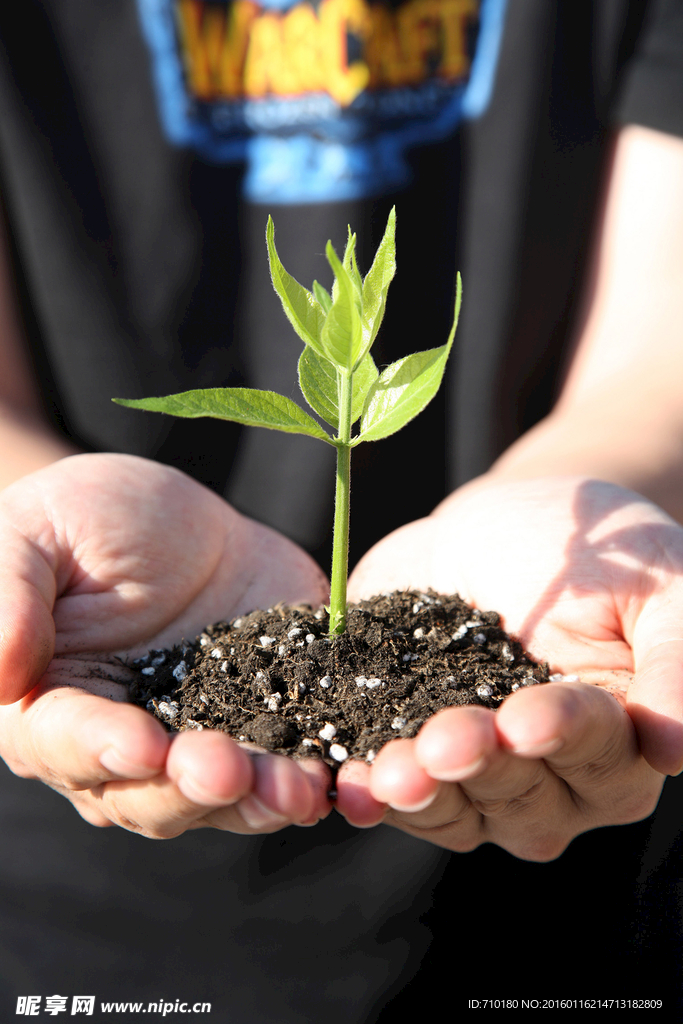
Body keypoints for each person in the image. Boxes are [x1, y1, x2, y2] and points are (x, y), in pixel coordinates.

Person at [1, 0, 682, 1016]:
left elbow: (655, 352)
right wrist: (32, 512)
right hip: (95, 913)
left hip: (557, 924)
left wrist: (605, 496)